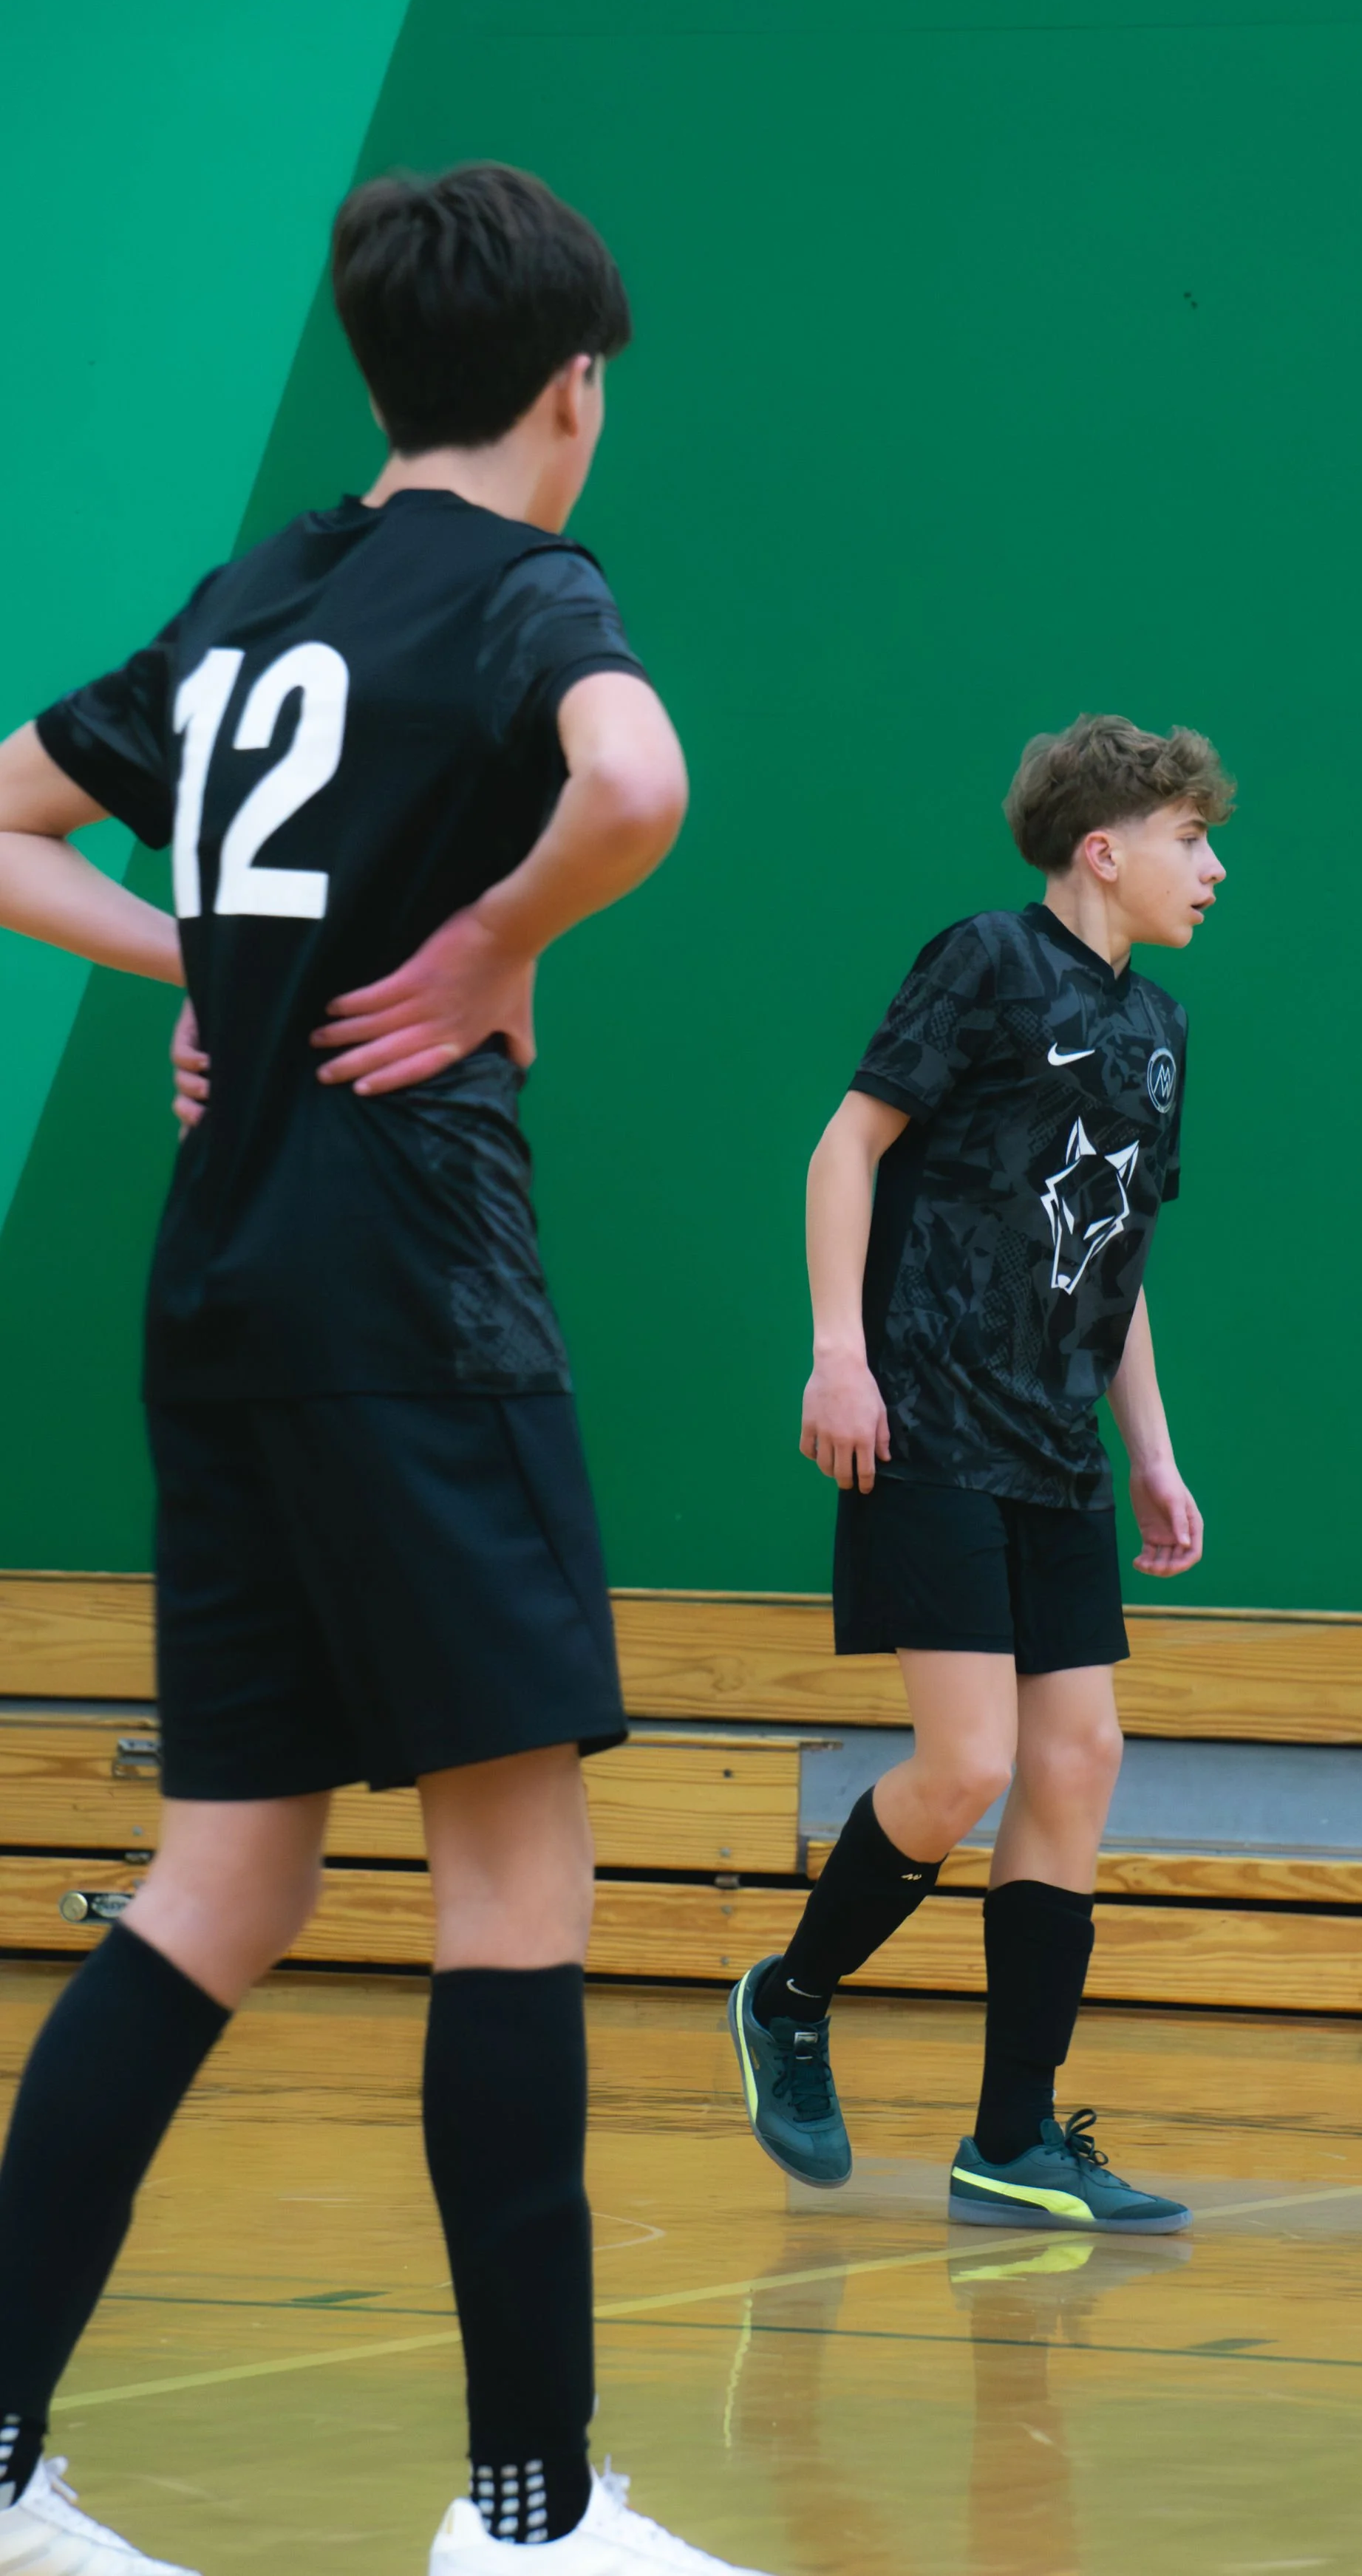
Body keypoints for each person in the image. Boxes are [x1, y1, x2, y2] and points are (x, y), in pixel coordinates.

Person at [0, 166, 772, 2576]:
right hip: (412, 1292)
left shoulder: (258, 594)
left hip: (215, 1294)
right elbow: (632, 785)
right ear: (577, 388)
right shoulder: (530, 585)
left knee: (221, 1872)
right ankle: (528, 2515)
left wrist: (201, 976)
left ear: (373, 380)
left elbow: (7, 815)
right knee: (508, 1869)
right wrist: (483, 940)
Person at [729, 713, 1230, 2235]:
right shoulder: (983, 961)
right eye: (1189, 836)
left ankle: (1011, 2138)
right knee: (966, 1766)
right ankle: (789, 1997)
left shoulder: (1162, 1032)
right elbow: (845, 1144)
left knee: (1076, 1761)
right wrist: (837, 1351)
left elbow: (1114, 1259)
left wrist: (1147, 1447)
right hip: (928, 1418)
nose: (1211, 866)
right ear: (1105, 847)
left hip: (1054, 1446)